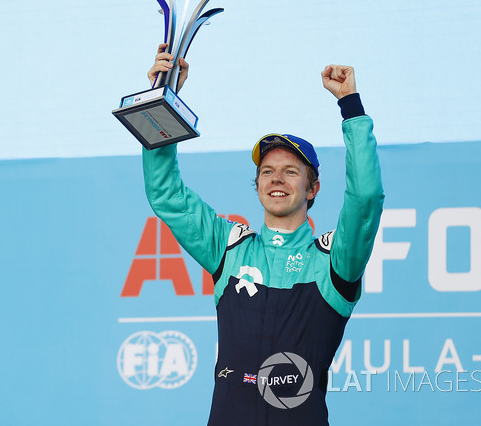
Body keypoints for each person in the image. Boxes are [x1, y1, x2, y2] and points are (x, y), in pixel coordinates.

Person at [143, 43, 384, 425]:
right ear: (256, 186)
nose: (276, 178)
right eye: (267, 171)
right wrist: (162, 100)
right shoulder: (229, 249)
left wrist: (350, 105)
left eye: (291, 171)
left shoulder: (334, 261)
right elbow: (166, 194)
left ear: (312, 189)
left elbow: (366, 199)